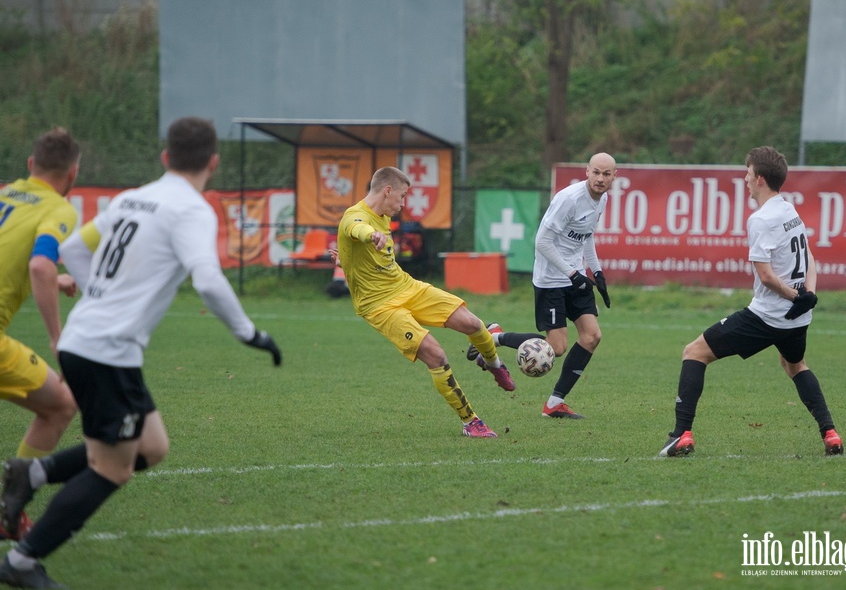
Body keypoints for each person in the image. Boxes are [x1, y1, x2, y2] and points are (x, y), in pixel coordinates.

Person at [0, 117, 282, 589]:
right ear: (213, 162)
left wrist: (98, 299)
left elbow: (73, 248)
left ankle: (33, 472)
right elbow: (208, 279)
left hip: (91, 345)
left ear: (165, 158)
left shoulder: (131, 198)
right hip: (104, 353)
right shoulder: (191, 209)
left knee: (152, 447)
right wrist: (250, 333)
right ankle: (22, 562)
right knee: (112, 468)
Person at [658, 146, 843, 458]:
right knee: (795, 364)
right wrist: (808, 295)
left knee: (693, 353)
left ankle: (681, 435)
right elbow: (810, 257)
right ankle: (831, 434)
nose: (743, 178)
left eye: (747, 173)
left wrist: (797, 296)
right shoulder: (789, 210)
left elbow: (767, 276)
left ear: (759, 179)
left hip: (767, 317)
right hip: (796, 319)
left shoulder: (761, 219)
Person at [337, 166, 512, 438]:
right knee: (436, 354)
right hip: (380, 306)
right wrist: (370, 235)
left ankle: (494, 364)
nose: (404, 203)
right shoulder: (357, 216)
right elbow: (354, 228)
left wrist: (346, 259)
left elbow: (367, 257)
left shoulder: (383, 215)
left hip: (406, 286)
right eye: (402, 196)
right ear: (387, 191)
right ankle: (471, 422)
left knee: (472, 323)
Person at [0, 127, 82, 540]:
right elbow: (38, 266)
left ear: (31, 165)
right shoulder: (59, 209)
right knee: (61, 405)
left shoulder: (4, 192)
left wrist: (57, 277)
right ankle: (7, 509)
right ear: (73, 175)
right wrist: (58, 339)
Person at [531, 152, 615, 419]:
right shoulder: (568, 199)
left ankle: (554, 403)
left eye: (606, 174)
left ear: (615, 176)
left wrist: (597, 271)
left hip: (574, 275)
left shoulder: (602, 199)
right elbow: (542, 243)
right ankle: (495, 336)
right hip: (551, 278)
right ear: (587, 172)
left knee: (592, 337)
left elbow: (586, 237)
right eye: (596, 173)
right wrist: (572, 273)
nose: (600, 179)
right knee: (555, 349)